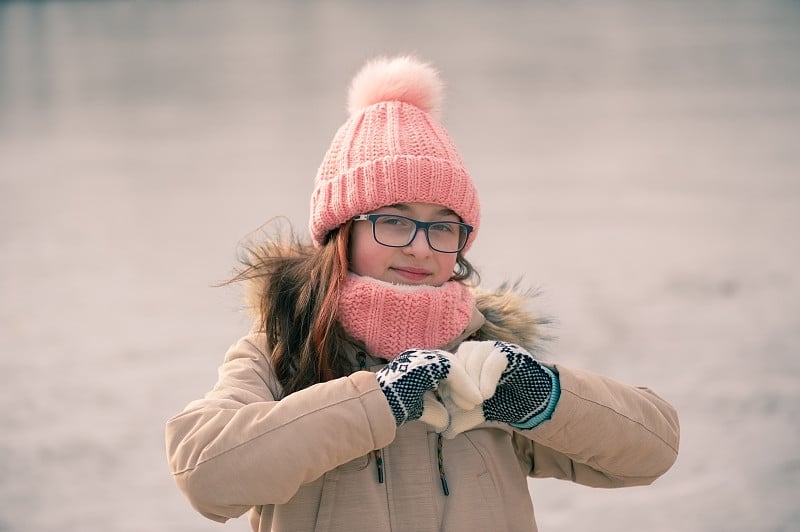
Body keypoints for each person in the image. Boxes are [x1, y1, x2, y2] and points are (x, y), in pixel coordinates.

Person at [165, 55, 680, 532]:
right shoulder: (279, 352)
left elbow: (651, 451)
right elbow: (206, 477)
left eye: (443, 227)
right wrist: (378, 402)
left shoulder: (482, 365)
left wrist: (543, 397)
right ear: (341, 232)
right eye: (393, 221)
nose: (420, 248)